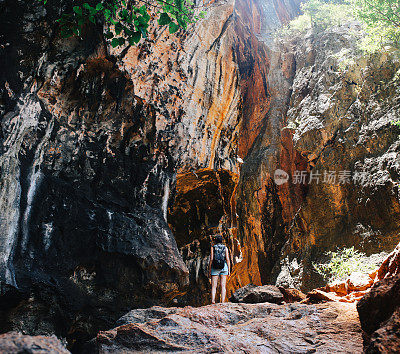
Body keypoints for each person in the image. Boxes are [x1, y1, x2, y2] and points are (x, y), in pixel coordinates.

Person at [208, 234, 230, 304]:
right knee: (223, 286)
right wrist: (229, 270)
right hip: (224, 267)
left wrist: (209, 269)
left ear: (215, 241)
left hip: (215, 267)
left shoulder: (213, 248)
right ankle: (223, 301)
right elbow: (227, 259)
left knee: (214, 286)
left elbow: (211, 259)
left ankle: (213, 301)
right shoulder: (225, 248)